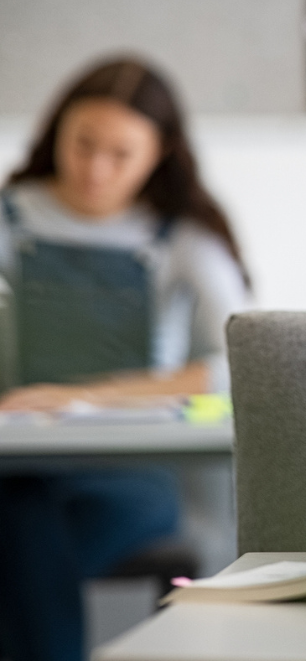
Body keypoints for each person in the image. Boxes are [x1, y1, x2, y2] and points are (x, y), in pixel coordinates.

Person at [0, 56, 251, 661]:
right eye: (83, 144)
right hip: (19, 467)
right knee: (18, 516)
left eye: (121, 153)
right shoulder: (12, 217)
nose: (95, 169)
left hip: (134, 475)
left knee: (19, 541)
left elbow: (238, 362)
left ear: (159, 154)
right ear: (54, 132)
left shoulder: (182, 236)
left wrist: (83, 398)